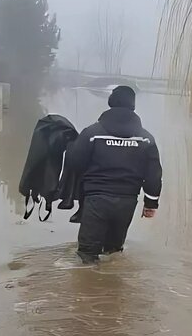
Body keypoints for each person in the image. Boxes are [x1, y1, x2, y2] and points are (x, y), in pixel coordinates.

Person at [66, 86, 162, 263]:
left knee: (87, 255)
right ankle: (113, 289)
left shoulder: (92, 134)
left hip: (96, 200)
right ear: (133, 106)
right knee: (114, 254)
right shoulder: (146, 138)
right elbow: (154, 173)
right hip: (127, 202)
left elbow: (75, 163)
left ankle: (89, 287)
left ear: (111, 102)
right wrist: (150, 203)